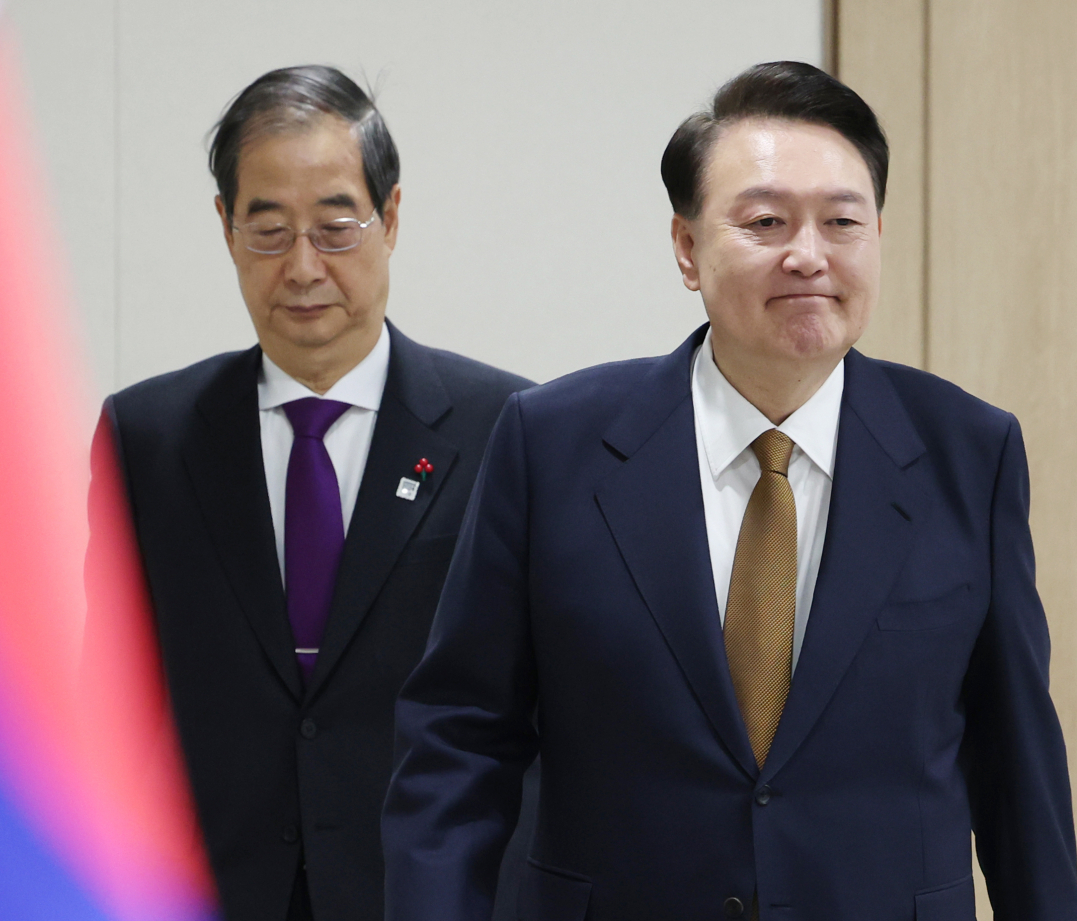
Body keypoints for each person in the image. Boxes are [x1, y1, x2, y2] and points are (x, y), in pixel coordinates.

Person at [382, 61, 1077, 920]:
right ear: (686, 246)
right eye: (766, 221)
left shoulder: (971, 452)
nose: (809, 255)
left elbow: (1018, 767)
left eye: (842, 222)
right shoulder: (550, 442)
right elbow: (461, 738)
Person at [91, 66, 535, 921]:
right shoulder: (146, 436)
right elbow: (108, 699)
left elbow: (547, 707)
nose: (302, 267)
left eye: (335, 227)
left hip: (431, 892)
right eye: (268, 231)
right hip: (206, 890)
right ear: (224, 228)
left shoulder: (509, 429)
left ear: (390, 218)